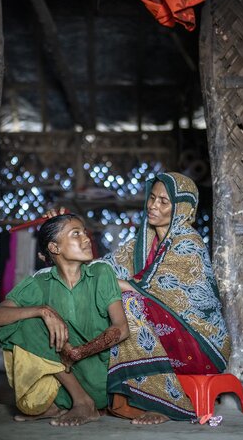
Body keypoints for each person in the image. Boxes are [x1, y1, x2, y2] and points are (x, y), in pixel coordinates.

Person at [49, 172, 231, 424]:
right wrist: (59, 239)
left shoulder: (189, 243)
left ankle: (164, 403)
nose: (153, 205)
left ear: (182, 208)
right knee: (97, 302)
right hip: (164, 331)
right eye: (152, 198)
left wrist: (119, 285)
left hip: (200, 341)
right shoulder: (141, 244)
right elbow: (103, 270)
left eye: (164, 201)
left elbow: (162, 294)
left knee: (127, 305)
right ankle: (92, 398)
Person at [0, 214, 129, 427]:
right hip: (60, 388)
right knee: (19, 322)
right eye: (76, 234)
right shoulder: (40, 282)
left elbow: (122, 328)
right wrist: (43, 311)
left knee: (29, 319)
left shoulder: (100, 273)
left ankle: (85, 402)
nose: (87, 239)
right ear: (54, 248)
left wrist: (78, 353)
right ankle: (69, 403)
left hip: (101, 378)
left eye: (85, 233)